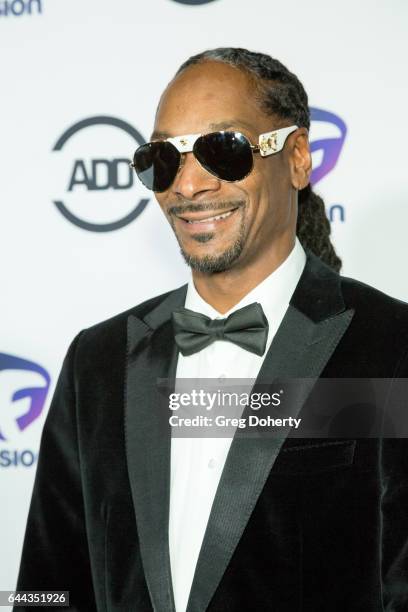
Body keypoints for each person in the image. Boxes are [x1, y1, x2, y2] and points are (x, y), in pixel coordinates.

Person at [15, 48, 408, 611]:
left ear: (297, 157)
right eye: (163, 159)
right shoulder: (97, 361)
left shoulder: (390, 346)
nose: (189, 186)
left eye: (222, 150)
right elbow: (45, 590)